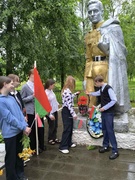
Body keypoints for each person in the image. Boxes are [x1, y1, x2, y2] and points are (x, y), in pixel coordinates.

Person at [84, 0, 130, 112]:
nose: (92, 14)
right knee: (90, 96)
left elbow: (121, 52)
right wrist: (85, 76)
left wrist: (107, 49)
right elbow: (88, 57)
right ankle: (92, 118)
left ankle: (108, 115)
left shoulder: (112, 28)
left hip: (106, 66)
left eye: (95, 11)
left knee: (107, 95)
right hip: (91, 67)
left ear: (101, 11)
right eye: (90, 12)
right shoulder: (88, 35)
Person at [0, 76, 31, 180]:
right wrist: (23, 126)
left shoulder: (11, 98)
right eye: (11, 84)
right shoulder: (1, 101)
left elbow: (19, 113)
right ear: (4, 84)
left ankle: (20, 174)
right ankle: (12, 177)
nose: (13, 86)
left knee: (19, 155)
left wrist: (24, 126)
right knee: (11, 158)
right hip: (10, 133)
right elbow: (9, 118)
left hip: (18, 131)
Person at [86, 75, 119, 160]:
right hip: (104, 113)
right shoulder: (101, 89)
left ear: (99, 82)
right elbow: (98, 93)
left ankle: (115, 151)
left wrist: (104, 108)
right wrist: (90, 93)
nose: (95, 85)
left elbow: (114, 100)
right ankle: (105, 146)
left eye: (95, 83)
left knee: (110, 130)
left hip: (108, 113)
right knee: (104, 129)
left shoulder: (108, 88)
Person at [21, 69, 46, 153]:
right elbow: (22, 99)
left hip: (38, 111)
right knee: (33, 131)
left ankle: (41, 145)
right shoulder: (25, 86)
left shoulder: (38, 85)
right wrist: (32, 96)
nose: (36, 76)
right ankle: (33, 148)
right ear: (29, 75)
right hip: (31, 112)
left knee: (41, 128)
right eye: (34, 75)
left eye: (37, 75)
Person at [59, 76, 80, 154]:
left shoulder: (67, 91)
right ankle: (63, 146)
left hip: (67, 111)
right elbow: (69, 104)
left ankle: (69, 142)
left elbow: (70, 98)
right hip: (66, 111)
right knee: (67, 128)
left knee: (70, 127)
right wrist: (74, 114)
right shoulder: (67, 91)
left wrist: (75, 94)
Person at [45, 79, 60, 145]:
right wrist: (49, 114)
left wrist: (57, 104)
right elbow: (45, 104)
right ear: (50, 85)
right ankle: (50, 138)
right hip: (50, 111)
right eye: (53, 85)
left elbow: (54, 99)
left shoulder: (51, 91)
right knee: (52, 125)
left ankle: (54, 137)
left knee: (55, 125)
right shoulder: (46, 93)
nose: (54, 86)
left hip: (54, 109)